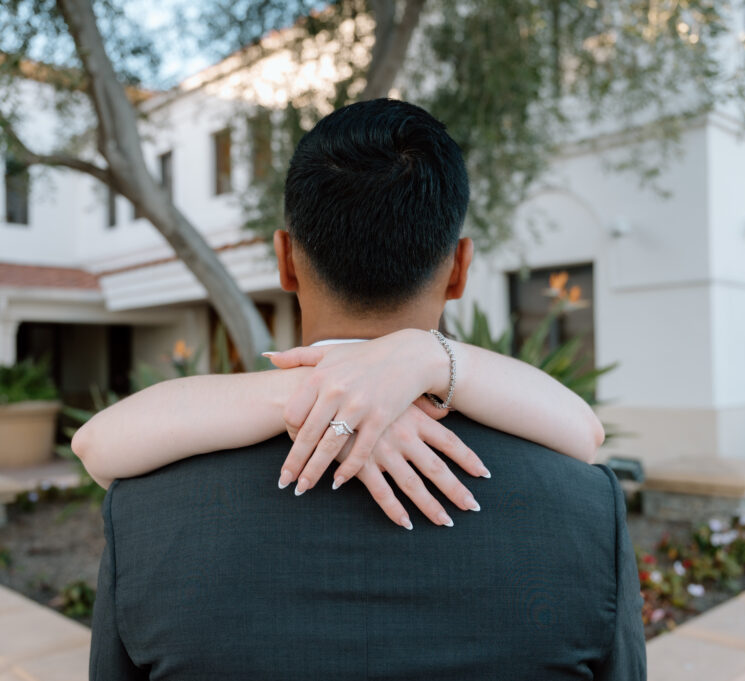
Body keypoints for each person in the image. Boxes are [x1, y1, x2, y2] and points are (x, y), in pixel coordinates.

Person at [81, 98, 646, 680]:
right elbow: (586, 434)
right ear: (459, 268)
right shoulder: (586, 510)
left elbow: (94, 445)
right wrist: (421, 360)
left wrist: (313, 386)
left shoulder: (143, 512)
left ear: (286, 261)